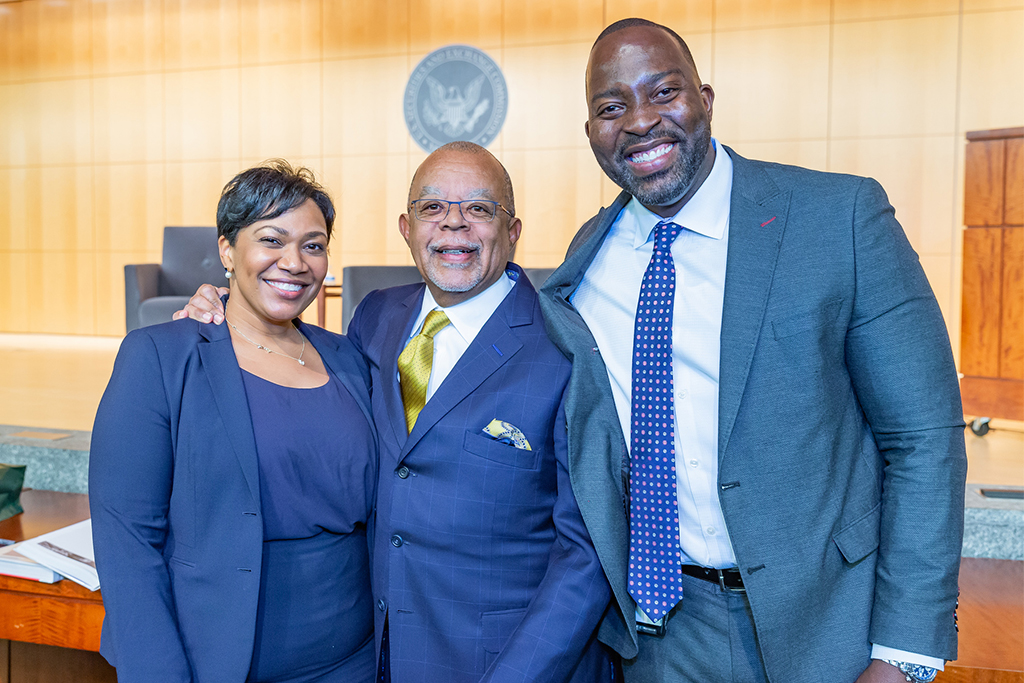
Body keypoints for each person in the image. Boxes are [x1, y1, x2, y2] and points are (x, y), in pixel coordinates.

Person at [536, 18, 968, 683]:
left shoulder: (839, 217)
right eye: (610, 107)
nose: (640, 120)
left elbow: (924, 440)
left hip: (833, 628)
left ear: (704, 98)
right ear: (590, 131)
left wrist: (903, 652)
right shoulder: (585, 260)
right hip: (660, 637)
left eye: (664, 92)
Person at [175, 143, 613, 683]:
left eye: (479, 209)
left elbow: (588, 551)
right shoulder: (377, 316)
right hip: (373, 653)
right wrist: (227, 310)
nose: (453, 226)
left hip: (502, 661)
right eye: (433, 208)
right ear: (407, 227)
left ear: (514, 229)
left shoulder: (565, 344)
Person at [90, 161, 378, 683]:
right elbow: (127, 538)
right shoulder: (161, 357)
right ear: (227, 249)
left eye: (313, 245)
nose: (293, 262)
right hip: (218, 659)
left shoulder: (350, 359)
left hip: (354, 659)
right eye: (271, 239)